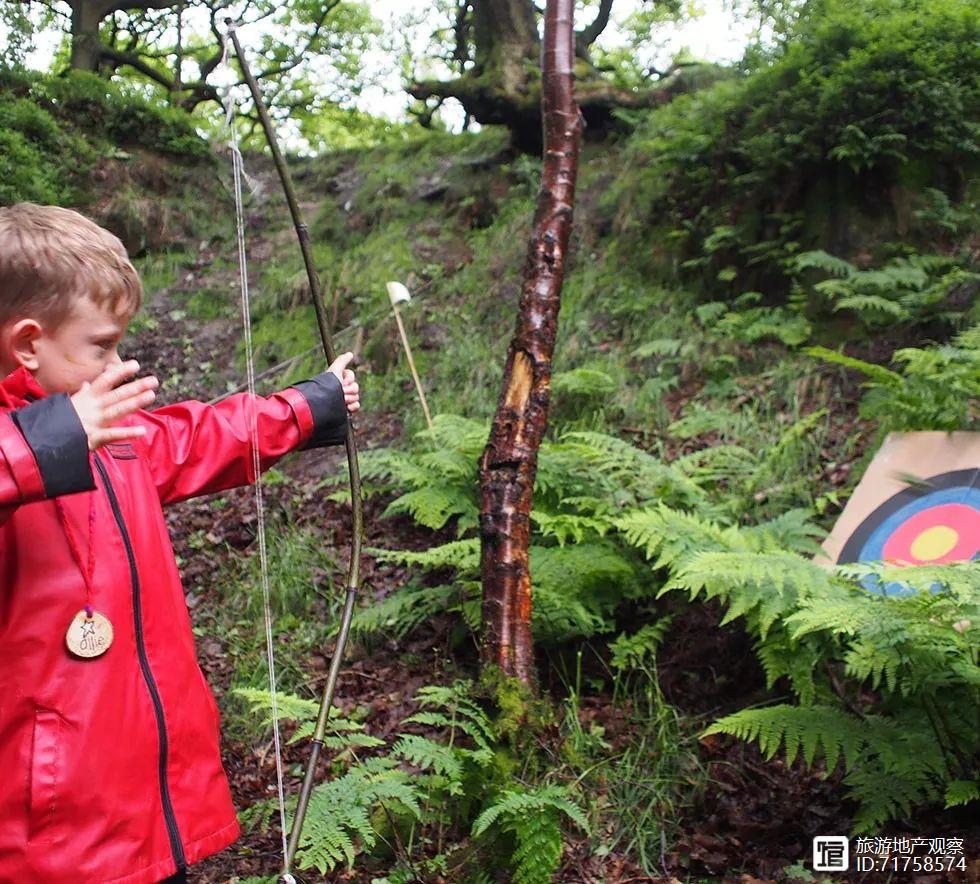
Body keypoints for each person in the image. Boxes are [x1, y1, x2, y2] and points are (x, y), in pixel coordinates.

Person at [0, 202, 360, 883]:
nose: (118, 361)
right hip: (49, 828)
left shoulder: (113, 438)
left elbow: (200, 436)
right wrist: (50, 439)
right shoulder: (29, 448)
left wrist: (308, 407)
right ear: (28, 344)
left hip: (138, 794)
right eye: (101, 345)